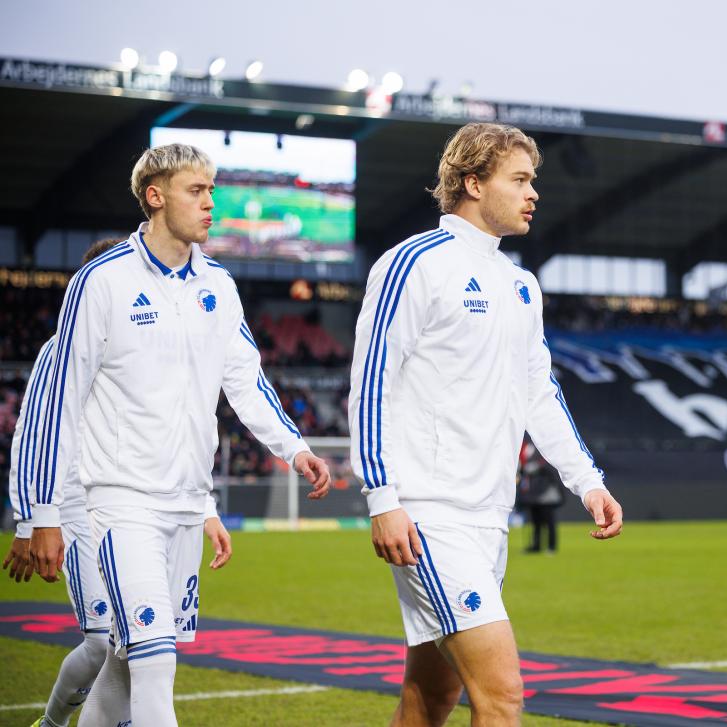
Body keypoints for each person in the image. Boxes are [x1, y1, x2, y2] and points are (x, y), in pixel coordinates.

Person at [27, 143, 332, 727]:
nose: (211, 202)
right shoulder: (101, 281)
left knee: (124, 665)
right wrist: (41, 514)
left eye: (212, 190)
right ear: (156, 196)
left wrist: (294, 448)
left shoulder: (219, 284)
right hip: (122, 503)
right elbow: (59, 401)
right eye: (197, 190)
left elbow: (247, 382)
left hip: (187, 506)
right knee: (155, 660)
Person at [348, 122, 623, 726]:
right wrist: (382, 498)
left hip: (489, 516)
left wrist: (588, 482)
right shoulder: (412, 265)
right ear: (473, 183)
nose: (533, 193)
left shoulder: (520, 285)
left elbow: (540, 394)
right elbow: (371, 385)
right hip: (428, 514)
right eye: (519, 180)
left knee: (431, 695)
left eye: (533, 180)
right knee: (501, 693)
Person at [3, 239, 120, 727]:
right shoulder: (62, 349)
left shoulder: (137, 342)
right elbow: (32, 432)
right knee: (101, 640)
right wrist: (29, 521)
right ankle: (50, 725)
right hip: (74, 504)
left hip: (127, 503)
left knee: (137, 640)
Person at [518, 439, 564, 553]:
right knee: (535, 521)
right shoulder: (527, 454)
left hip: (546, 495)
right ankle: (536, 546)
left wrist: (532, 468)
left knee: (549, 521)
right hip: (533, 495)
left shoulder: (543, 454)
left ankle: (551, 546)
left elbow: (549, 471)